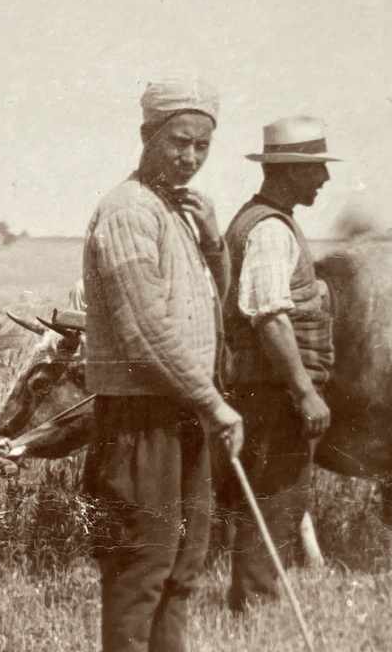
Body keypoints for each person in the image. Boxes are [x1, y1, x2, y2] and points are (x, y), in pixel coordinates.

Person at [82, 76, 244, 652]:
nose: (191, 157)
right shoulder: (128, 212)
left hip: (184, 412)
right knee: (141, 570)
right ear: (147, 134)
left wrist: (213, 244)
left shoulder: (176, 212)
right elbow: (146, 332)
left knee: (181, 570)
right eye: (179, 141)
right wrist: (214, 403)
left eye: (202, 146)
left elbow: (210, 311)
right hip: (141, 420)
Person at [222, 115, 339, 612]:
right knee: (275, 496)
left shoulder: (264, 221)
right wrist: (304, 391)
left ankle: (251, 598)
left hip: (263, 387)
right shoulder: (270, 230)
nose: (325, 179)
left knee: (273, 496)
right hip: (271, 390)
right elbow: (269, 317)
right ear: (289, 171)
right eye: (316, 169)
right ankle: (255, 605)